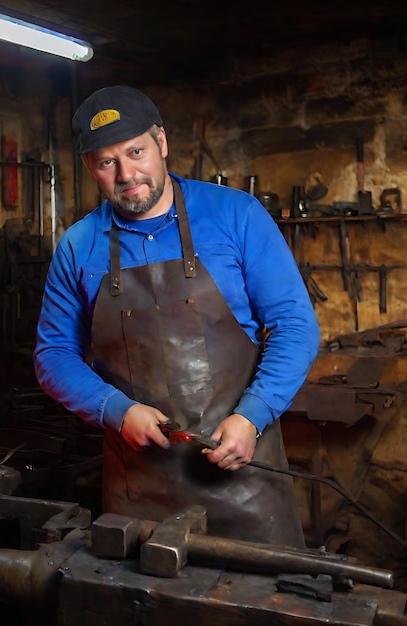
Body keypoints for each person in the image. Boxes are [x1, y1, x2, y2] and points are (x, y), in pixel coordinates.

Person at [33, 85, 320, 546]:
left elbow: (295, 326)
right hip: (138, 496)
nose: (128, 174)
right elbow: (54, 356)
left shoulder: (237, 216)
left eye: (137, 152)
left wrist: (253, 414)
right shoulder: (77, 246)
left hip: (245, 483)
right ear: (91, 167)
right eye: (108, 162)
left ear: (161, 143)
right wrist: (117, 410)